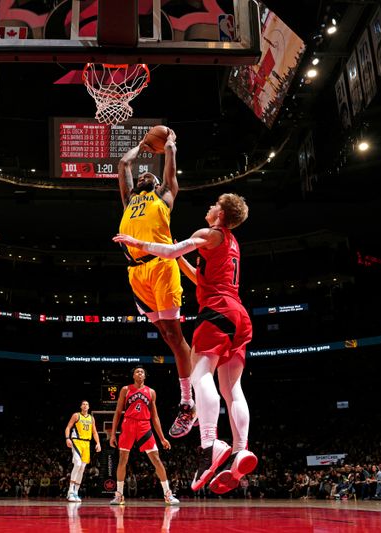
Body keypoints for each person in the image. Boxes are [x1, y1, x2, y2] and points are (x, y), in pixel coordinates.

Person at [113, 193, 256, 494]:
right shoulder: (230, 243)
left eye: (214, 204)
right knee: (233, 389)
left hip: (217, 312)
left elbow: (169, 251)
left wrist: (136, 244)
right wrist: (179, 258)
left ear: (221, 215)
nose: (209, 206)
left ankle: (210, 445)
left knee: (200, 374)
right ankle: (241, 450)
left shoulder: (210, 233)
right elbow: (199, 277)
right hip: (239, 316)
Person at [117, 128, 197, 439]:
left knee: (175, 335)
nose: (145, 176)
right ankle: (189, 379)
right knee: (164, 333)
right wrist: (140, 146)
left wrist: (171, 147)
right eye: (142, 178)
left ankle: (187, 402)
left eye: (150, 176)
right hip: (136, 273)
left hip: (162, 267)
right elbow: (125, 164)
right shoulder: (129, 202)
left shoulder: (163, 197)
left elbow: (170, 172)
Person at [108, 367, 179, 505]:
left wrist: (162, 438)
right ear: (133, 375)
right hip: (128, 424)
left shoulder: (151, 392)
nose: (139, 373)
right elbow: (117, 412)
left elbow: (155, 417)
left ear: (145, 376)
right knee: (123, 459)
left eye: (142, 372)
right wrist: (112, 434)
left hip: (144, 426)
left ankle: (168, 494)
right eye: (137, 372)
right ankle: (119, 495)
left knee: (156, 459)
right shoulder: (125, 390)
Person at [64, 400, 102, 502]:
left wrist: (98, 443)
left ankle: (76, 492)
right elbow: (68, 427)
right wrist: (67, 438)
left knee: (82, 468)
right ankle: (70, 491)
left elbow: (94, 432)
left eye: (87, 404)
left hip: (87, 444)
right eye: (83, 404)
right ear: (81, 406)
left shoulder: (91, 418)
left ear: (89, 407)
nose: (85, 406)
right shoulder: (76, 415)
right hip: (77, 441)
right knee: (77, 463)